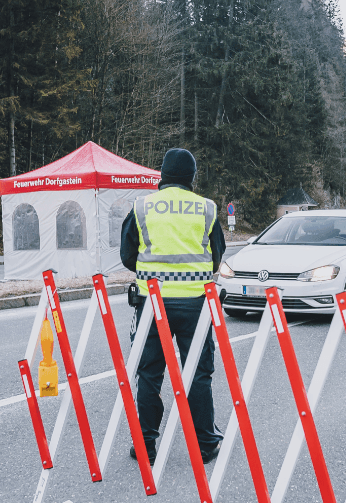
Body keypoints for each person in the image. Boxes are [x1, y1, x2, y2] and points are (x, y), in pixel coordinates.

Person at [120, 148, 225, 465]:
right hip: (195, 305)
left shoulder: (142, 207)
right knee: (198, 373)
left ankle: (145, 445)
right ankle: (205, 444)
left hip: (151, 305)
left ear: (162, 174)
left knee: (149, 374)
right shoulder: (206, 208)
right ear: (192, 178)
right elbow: (216, 256)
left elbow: (128, 255)